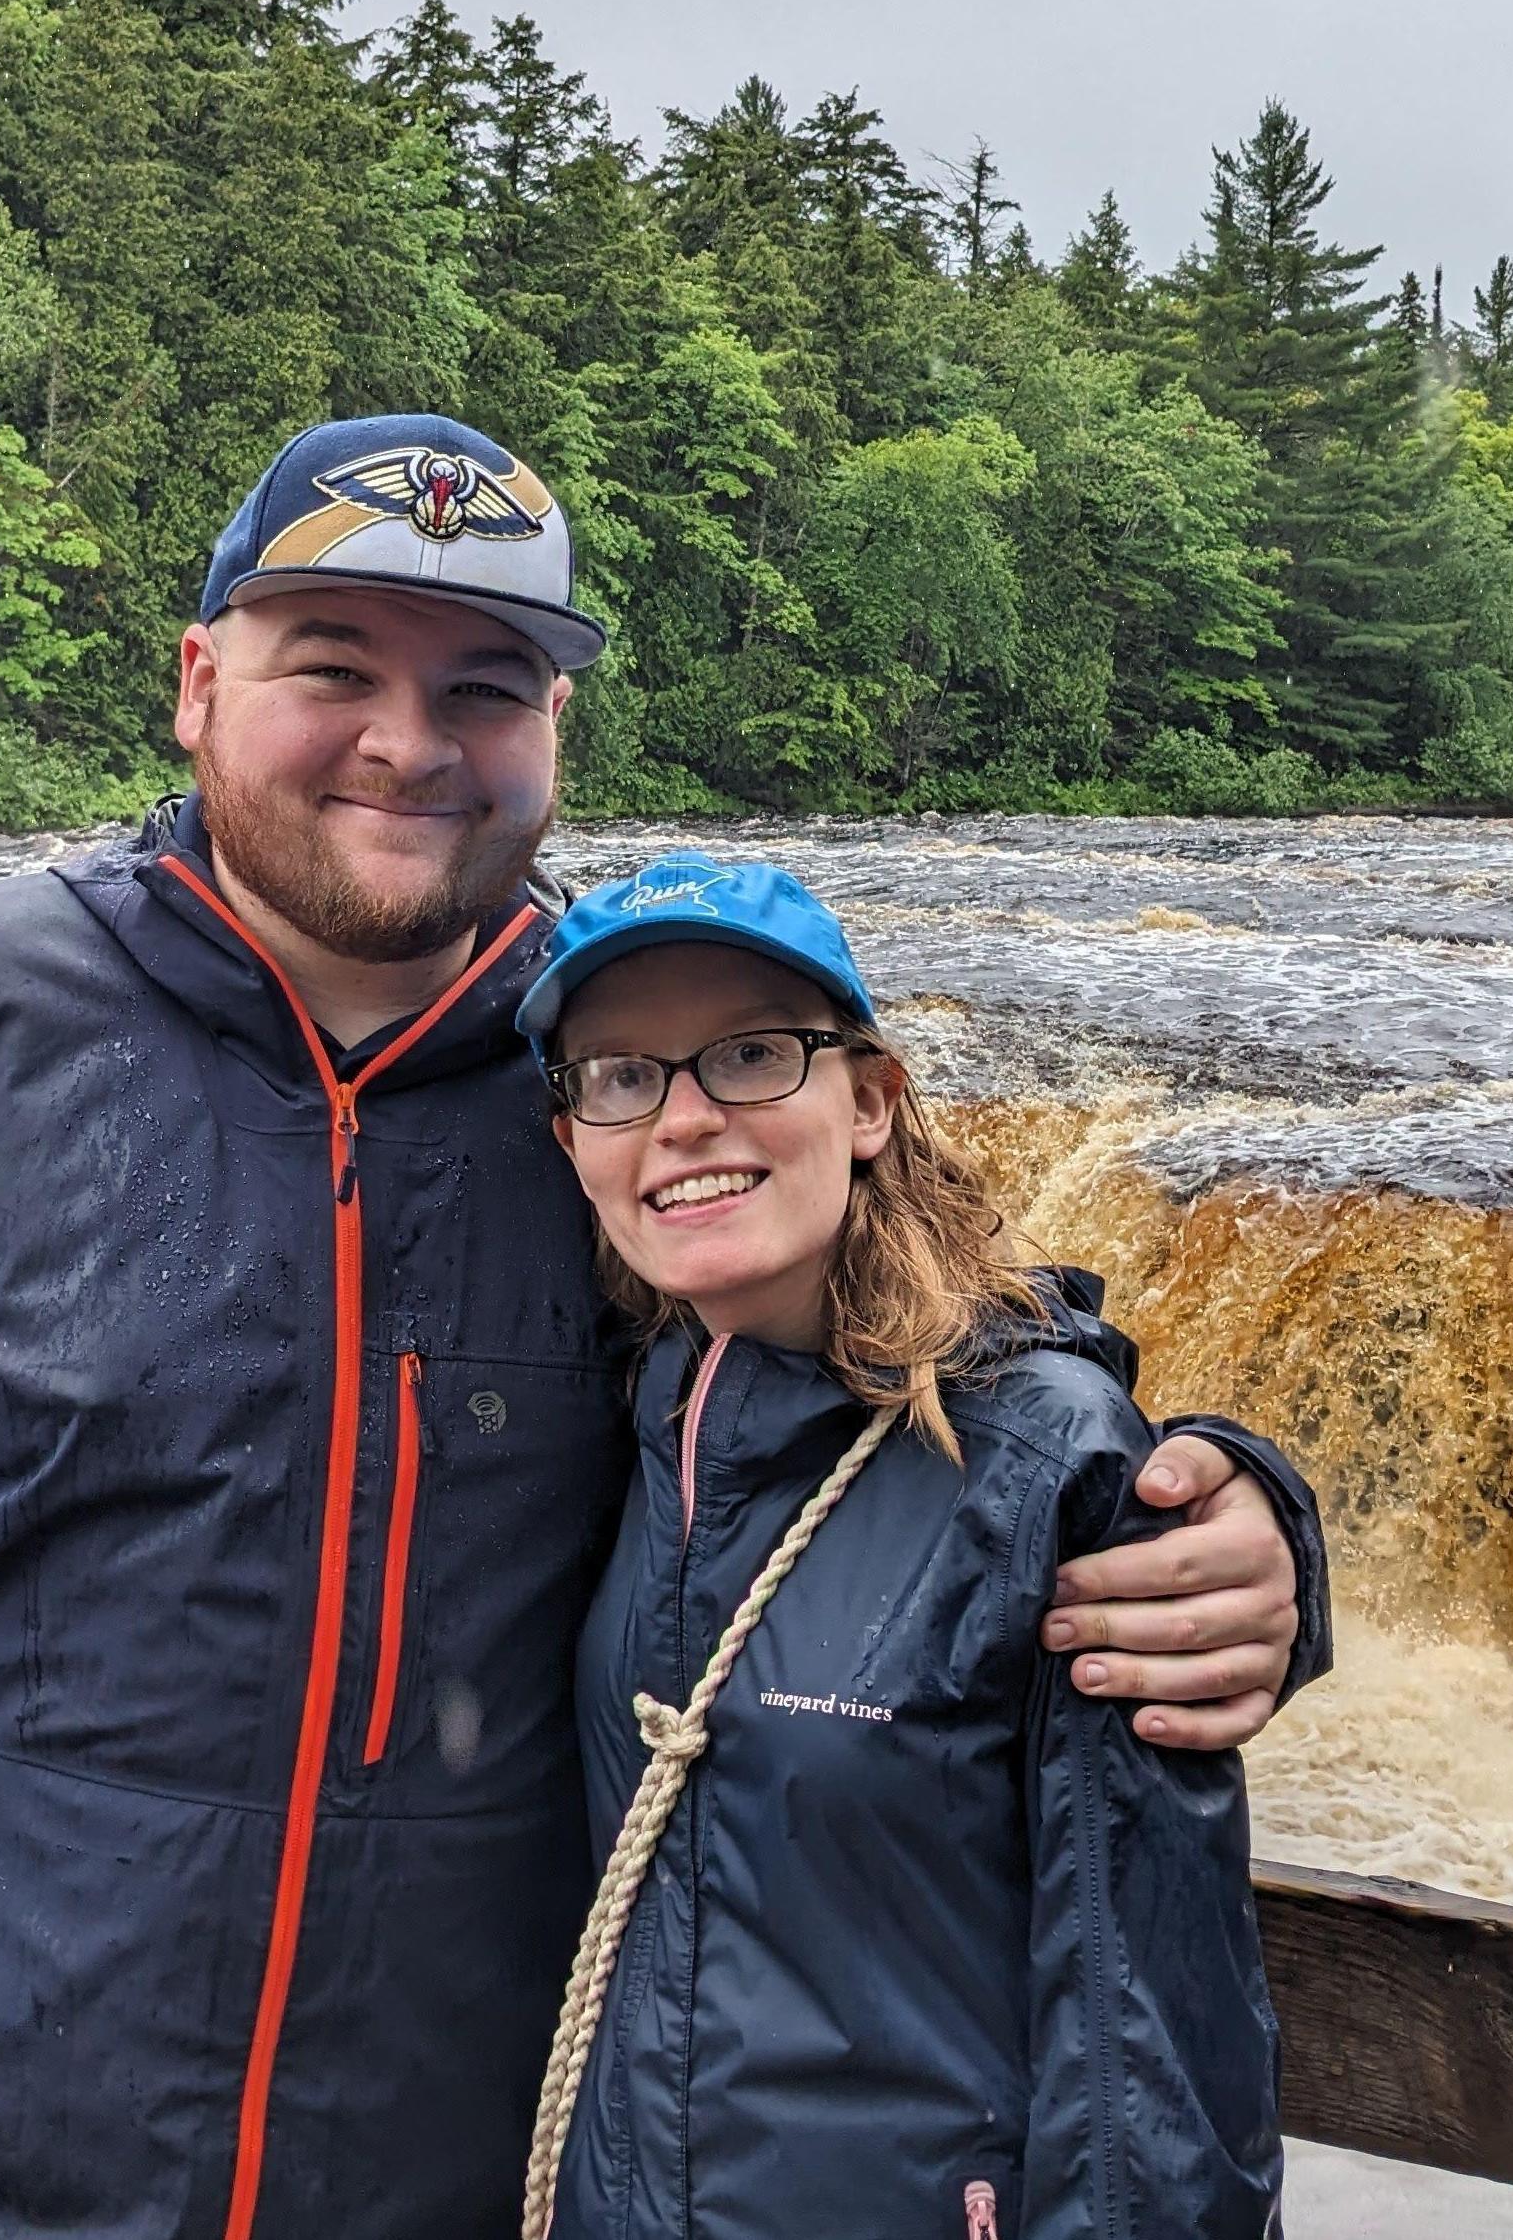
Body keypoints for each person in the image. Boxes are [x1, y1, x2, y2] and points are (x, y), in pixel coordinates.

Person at [0, 414, 1326, 2239]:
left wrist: (1241, 1528)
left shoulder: (625, 1090)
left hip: (440, 2177)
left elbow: (940, 1358)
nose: (410, 737)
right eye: (333, 663)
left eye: (485, 679)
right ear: (199, 680)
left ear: (553, 728)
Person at [517, 857, 1281, 2240]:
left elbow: (1151, 2030)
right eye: (621, 1076)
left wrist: (1252, 1507)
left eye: (750, 1057)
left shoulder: (1048, 1459)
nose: (682, 1120)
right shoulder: (631, 1396)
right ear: (571, 1135)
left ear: (866, 1100)